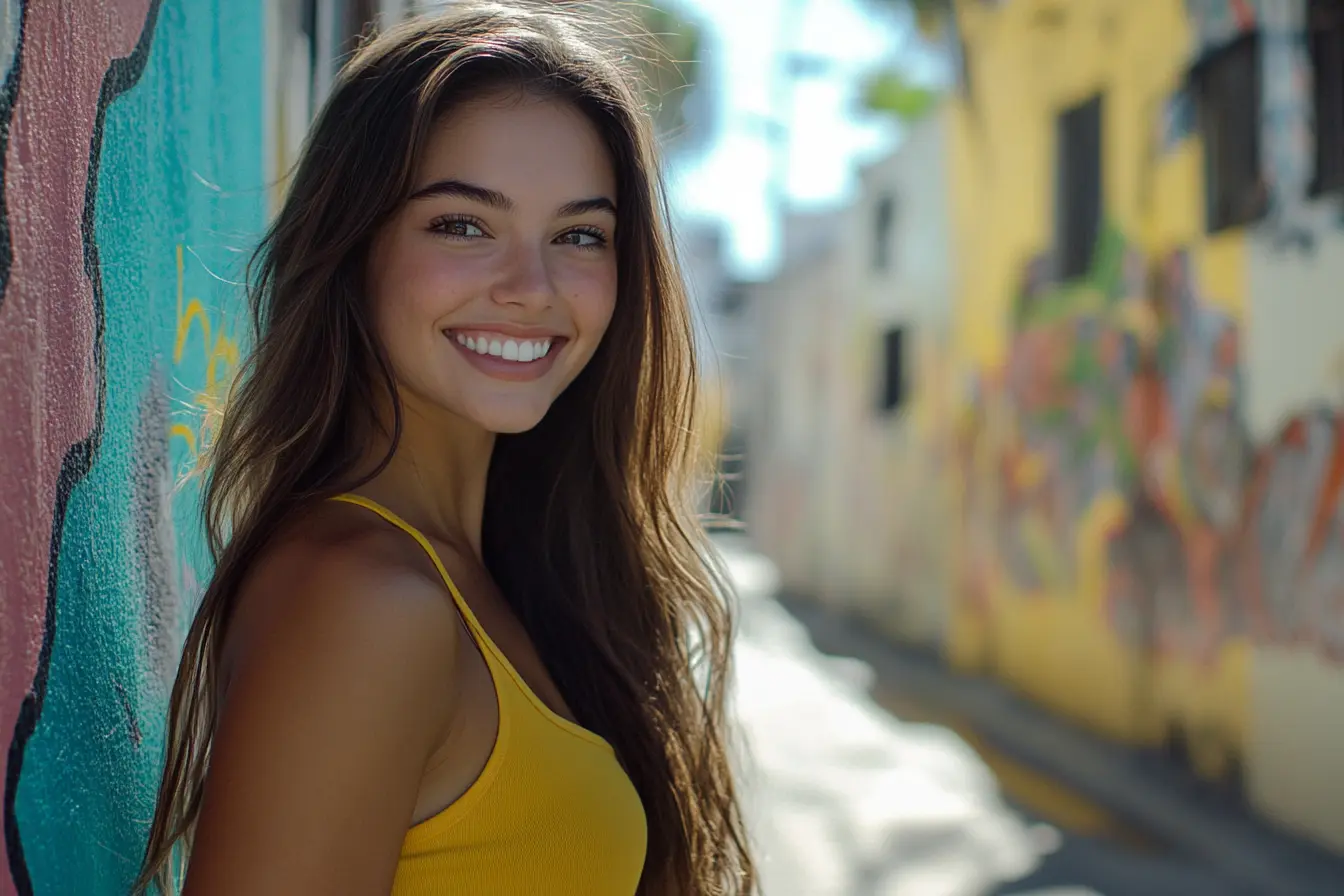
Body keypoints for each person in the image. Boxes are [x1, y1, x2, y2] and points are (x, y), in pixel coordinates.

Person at [134, 3, 755, 893]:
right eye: (463, 224)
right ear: (355, 245)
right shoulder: (365, 600)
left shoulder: (499, 574)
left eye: (579, 235)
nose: (530, 290)